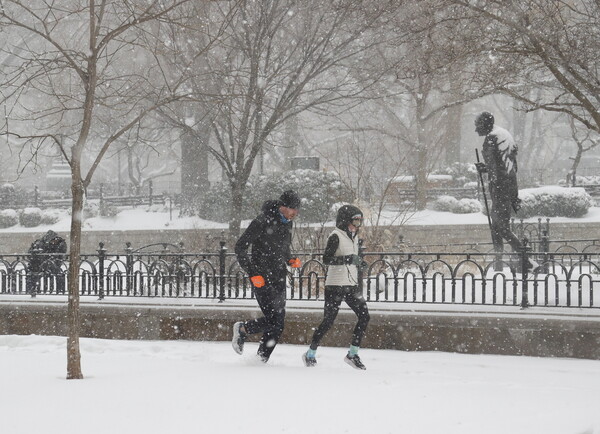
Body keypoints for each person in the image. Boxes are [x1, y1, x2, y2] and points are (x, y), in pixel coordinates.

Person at [232, 190, 302, 363]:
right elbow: (240, 247)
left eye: (297, 209)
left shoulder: (287, 223)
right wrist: (252, 273)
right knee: (273, 320)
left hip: (278, 277)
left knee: (278, 324)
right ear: (282, 206)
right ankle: (242, 329)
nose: (295, 213)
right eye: (293, 209)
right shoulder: (262, 221)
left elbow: (283, 247)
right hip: (261, 278)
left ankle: (261, 359)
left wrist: (289, 259)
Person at [302, 205, 370, 370]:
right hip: (335, 286)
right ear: (345, 220)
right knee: (328, 321)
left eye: (360, 221)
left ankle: (352, 354)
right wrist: (348, 259)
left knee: (364, 316)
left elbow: (353, 258)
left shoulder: (353, 236)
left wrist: (360, 263)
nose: (358, 224)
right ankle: (310, 353)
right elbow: (327, 259)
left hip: (351, 285)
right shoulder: (335, 236)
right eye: (355, 220)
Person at [474, 111, 532, 270]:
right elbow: (505, 167)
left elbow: (497, 169)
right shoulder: (503, 136)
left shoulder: (492, 139)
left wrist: (486, 170)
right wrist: (485, 168)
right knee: (497, 226)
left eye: (477, 125)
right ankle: (499, 264)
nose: (475, 130)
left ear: (485, 124)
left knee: (500, 227)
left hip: (500, 189)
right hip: (507, 188)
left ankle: (526, 260)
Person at [26, 230, 67, 295]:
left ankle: (33, 289)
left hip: (49, 264)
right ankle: (33, 289)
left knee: (33, 274)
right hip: (39, 265)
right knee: (32, 274)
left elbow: (59, 255)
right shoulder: (41, 243)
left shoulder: (59, 243)